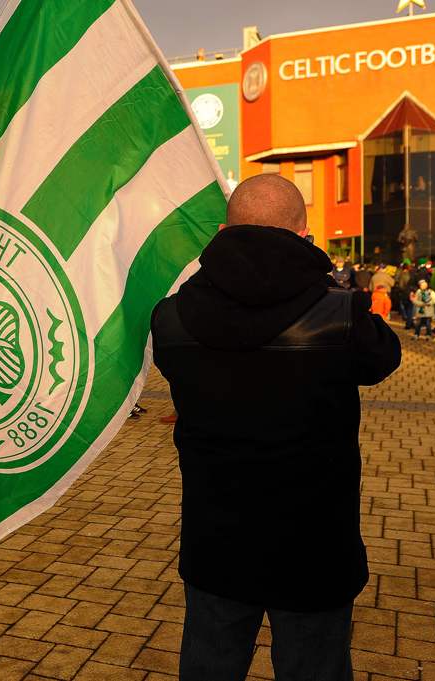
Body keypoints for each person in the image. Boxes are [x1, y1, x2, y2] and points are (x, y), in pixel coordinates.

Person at [151, 174, 401, 681]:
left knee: (208, 668)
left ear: (222, 232)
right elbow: (384, 358)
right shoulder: (341, 315)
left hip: (216, 541)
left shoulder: (172, 318)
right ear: (304, 236)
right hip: (314, 546)